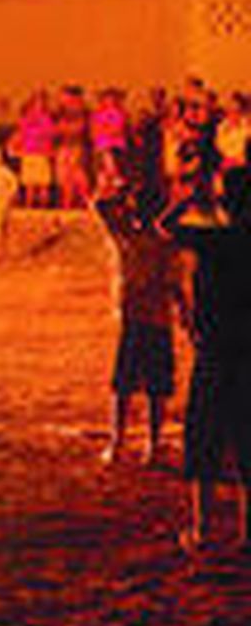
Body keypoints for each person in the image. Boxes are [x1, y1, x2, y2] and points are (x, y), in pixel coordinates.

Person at [162, 166, 251, 554]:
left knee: (203, 439)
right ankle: (246, 534)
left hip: (214, 351)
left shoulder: (213, 238)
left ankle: (202, 529)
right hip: (247, 352)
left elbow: (164, 226)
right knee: (246, 441)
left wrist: (192, 199)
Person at [94, 181, 179, 467]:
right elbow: (174, 285)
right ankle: (152, 446)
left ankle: (117, 443)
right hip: (158, 319)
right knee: (156, 388)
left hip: (134, 318)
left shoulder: (126, 236)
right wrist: (186, 315)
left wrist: (120, 192)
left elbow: (101, 206)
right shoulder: (165, 243)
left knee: (124, 385)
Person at [0, 145, 20, 257]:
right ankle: (3, 250)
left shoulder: (3, 171)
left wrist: (10, 195)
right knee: (3, 226)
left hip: (3, 201)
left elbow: (14, 183)